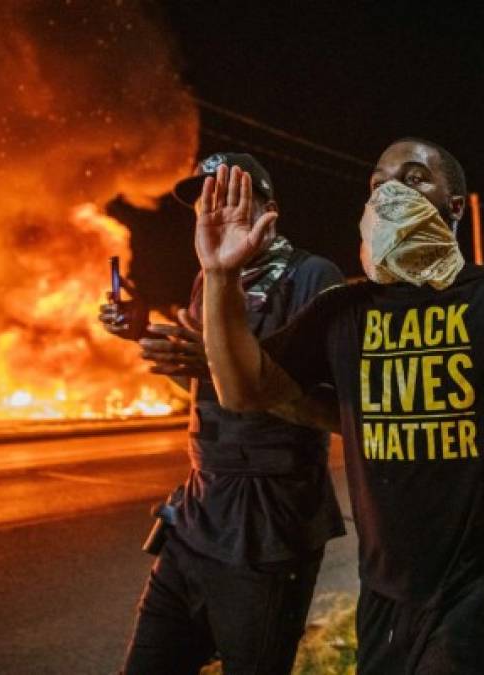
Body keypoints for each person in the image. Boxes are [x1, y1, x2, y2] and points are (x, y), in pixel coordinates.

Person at [193, 129, 484, 674]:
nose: (392, 190)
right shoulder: (343, 310)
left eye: (415, 178)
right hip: (387, 592)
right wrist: (220, 275)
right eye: (378, 184)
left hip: (483, 585)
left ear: (454, 207)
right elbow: (243, 389)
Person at [100, 152, 346, 675]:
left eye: (235, 194)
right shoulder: (208, 280)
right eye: (208, 196)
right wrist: (143, 332)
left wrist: (216, 367)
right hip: (198, 514)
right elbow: (199, 383)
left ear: (269, 209)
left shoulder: (311, 276)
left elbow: (337, 410)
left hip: (268, 523)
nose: (218, 205)